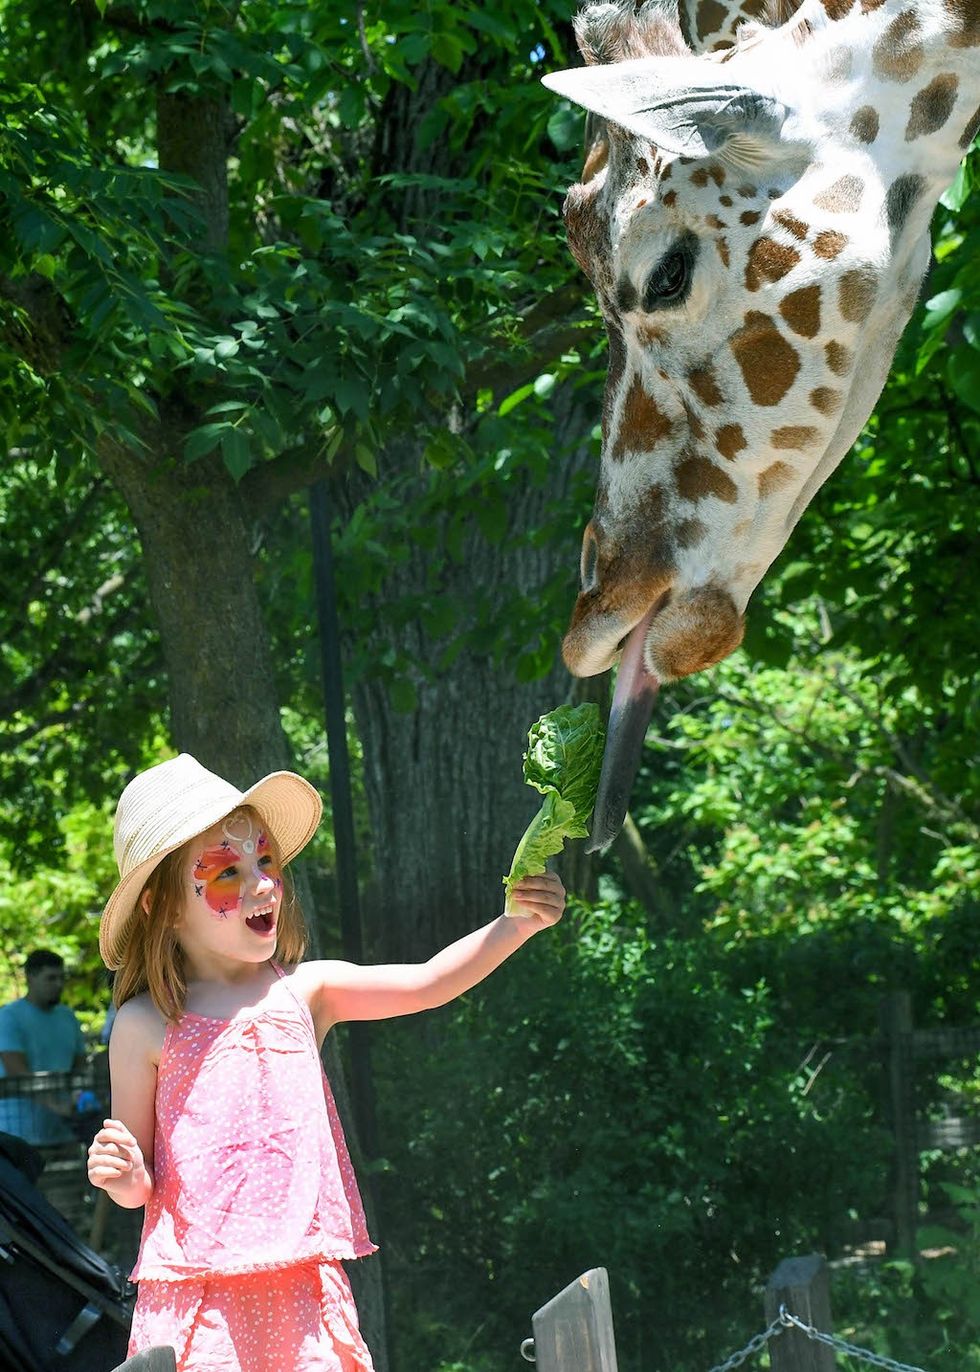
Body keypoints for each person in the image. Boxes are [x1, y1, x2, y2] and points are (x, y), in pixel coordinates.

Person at [87, 753, 565, 1372]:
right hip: (199, 1304)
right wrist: (122, 1175)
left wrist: (515, 926)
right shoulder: (144, 1023)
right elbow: (138, 1186)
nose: (262, 884)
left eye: (265, 861)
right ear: (163, 906)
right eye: (227, 872)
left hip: (304, 1296)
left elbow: (427, 982)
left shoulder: (305, 991)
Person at [0, 950, 88, 1144]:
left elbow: (80, 1066)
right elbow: (17, 1072)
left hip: (62, 1131)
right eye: (51, 978)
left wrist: (77, 1098)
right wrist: (57, 1106)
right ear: (30, 977)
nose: (59, 984)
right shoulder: (9, 1017)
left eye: (61, 978)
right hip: (18, 1132)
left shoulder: (68, 1017)